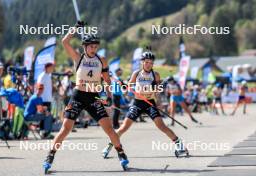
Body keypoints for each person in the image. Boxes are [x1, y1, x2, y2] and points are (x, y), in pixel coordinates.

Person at [43, 21, 129, 173]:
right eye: (91, 46)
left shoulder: (101, 60)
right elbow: (65, 41)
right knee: (65, 128)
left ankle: (121, 154)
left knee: (109, 128)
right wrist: (75, 28)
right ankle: (50, 156)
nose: (94, 49)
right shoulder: (78, 57)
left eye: (96, 46)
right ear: (85, 46)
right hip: (78, 96)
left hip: (94, 97)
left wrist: (108, 95)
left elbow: (107, 79)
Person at [102, 49, 189, 159]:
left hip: (150, 103)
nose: (149, 65)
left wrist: (157, 96)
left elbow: (157, 91)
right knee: (124, 127)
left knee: (161, 126)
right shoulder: (136, 74)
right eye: (147, 62)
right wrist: (124, 87)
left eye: (151, 63)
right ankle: (109, 146)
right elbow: (127, 90)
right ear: (142, 62)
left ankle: (179, 145)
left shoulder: (155, 75)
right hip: (137, 103)